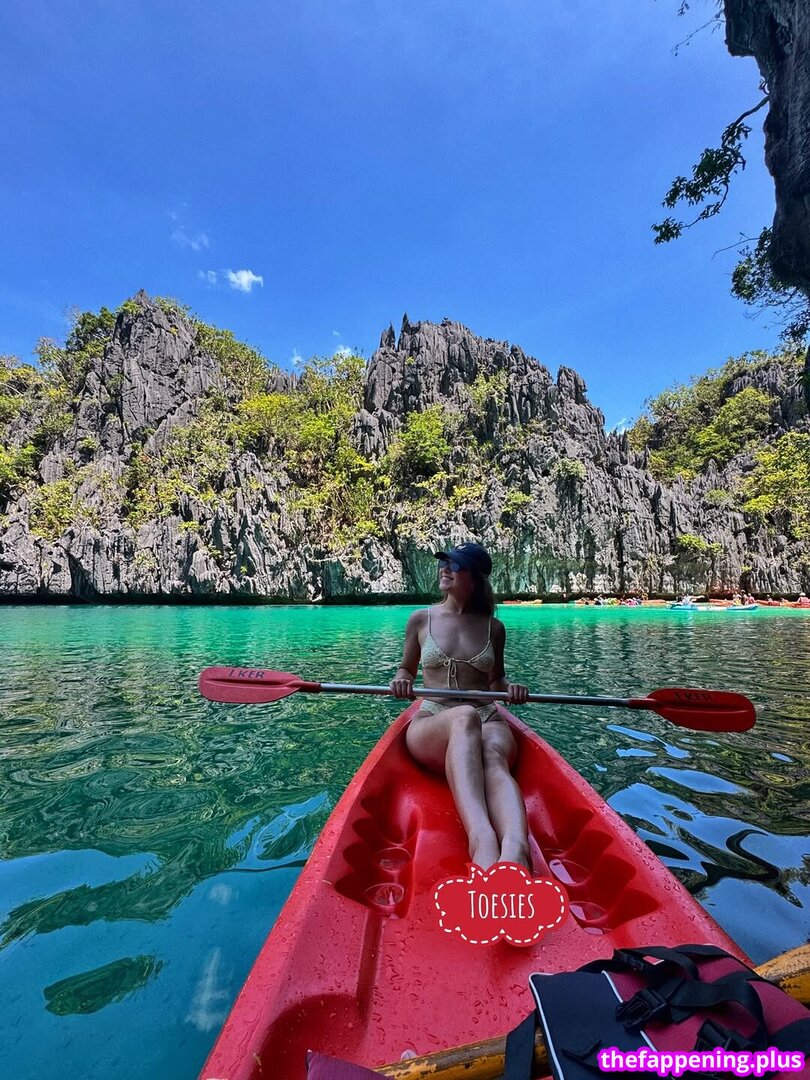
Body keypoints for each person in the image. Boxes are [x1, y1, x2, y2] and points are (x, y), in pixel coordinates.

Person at [390, 543, 531, 872]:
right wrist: (400, 681)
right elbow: (406, 669)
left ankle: (516, 850)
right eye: (444, 563)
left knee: (492, 756)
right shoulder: (420, 619)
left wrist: (511, 689)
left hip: (487, 716)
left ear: (475, 578)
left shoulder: (494, 628)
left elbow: (497, 681)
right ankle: (482, 842)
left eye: (456, 565)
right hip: (433, 717)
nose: (445, 569)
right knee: (464, 717)